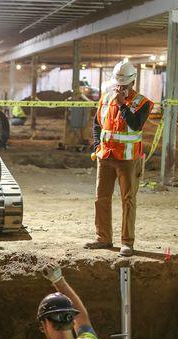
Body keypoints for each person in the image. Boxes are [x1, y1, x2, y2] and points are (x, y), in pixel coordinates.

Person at [85, 60, 153, 256]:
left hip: (129, 158)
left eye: (123, 84)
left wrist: (122, 105)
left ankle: (127, 242)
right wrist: (97, 145)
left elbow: (135, 125)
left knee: (128, 199)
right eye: (117, 83)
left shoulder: (142, 103)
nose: (119, 87)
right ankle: (103, 238)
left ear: (132, 82)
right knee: (101, 198)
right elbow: (97, 123)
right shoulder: (105, 99)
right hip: (106, 156)